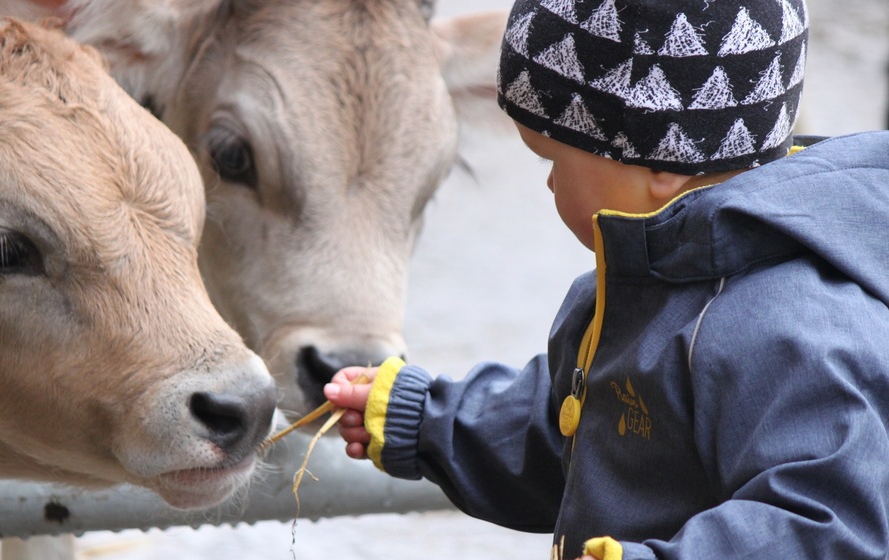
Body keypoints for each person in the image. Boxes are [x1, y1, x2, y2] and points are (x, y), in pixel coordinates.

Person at [324, 0, 889, 558]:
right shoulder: (642, 282)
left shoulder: (790, 330)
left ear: (664, 163)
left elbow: (829, 527)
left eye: (554, 162)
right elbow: (576, 435)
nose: (548, 188)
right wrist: (425, 417)